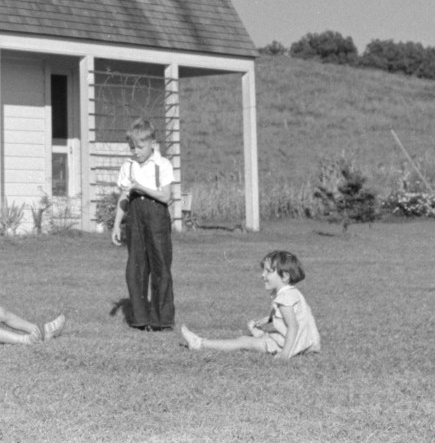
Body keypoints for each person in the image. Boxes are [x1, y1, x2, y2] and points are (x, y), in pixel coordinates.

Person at [180, 250, 321, 360]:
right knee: (255, 338)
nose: (262, 275)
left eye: (268, 271)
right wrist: (269, 319)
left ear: (284, 276)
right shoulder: (292, 292)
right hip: (305, 342)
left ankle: (199, 343)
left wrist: (285, 354)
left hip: (289, 344)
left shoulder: (285, 297)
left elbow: (293, 326)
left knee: (244, 341)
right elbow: (293, 316)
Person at [111, 118, 175, 331]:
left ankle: (161, 320)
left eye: (140, 147)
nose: (135, 151)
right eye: (132, 147)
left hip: (156, 216)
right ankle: (140, 319)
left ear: (152, 144)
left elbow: (166, 197)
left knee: (161, 267)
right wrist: (116, 224)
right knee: (136, 267)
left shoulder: (162, 165)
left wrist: (140, 188)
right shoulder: (128, 166)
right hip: (135, 217)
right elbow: (124, 196)